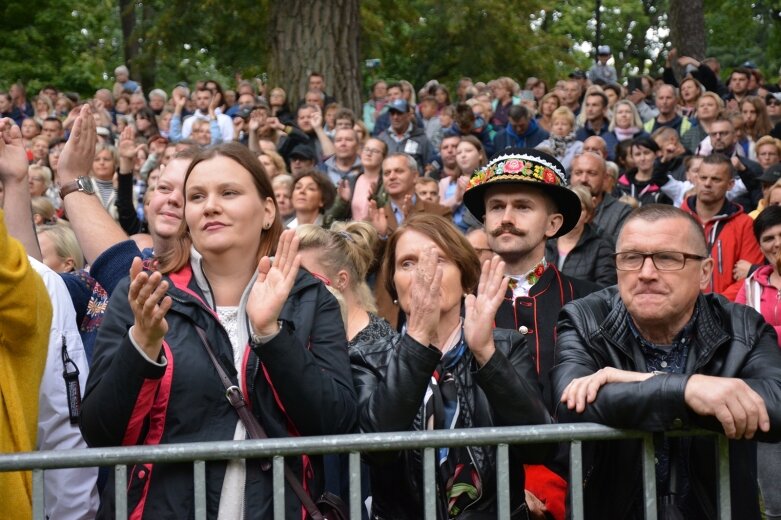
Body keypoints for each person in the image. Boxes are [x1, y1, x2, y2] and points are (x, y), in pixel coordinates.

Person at [81, 143, 356, 518]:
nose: (210, 205)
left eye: (229, 193)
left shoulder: (310, 297)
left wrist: (270, 334)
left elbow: (334, 423)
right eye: (196, 196)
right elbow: (100, 431)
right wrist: (141, 347)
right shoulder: (145, 294)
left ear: (268, 210)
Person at [552, 204, 781, 519]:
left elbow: (776, 405)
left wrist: (638, 382)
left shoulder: (742, 326)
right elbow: (571, 402)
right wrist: (688, 389)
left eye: (668, 258)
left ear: (704, 272)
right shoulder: (585, 319)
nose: (646, 273)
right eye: (631, 258)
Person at [350, 213, 550, 519]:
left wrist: (485, 353)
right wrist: (417, 339)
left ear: (465, 276)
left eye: (439, 259)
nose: (423, 273)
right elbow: (375, 450)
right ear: (393, 284)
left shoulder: (505, 347)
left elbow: (540, 446)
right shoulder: (367, 356)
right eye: (407, 263)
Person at [462, 148, 600, 520]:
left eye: (523, 206)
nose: (506, 218)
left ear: (553, 224)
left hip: (579, 493)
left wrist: (551, 478)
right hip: (485, 496)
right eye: (496, 207)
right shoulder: (458, 302)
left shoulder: (592, 299)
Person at [736, 205, 781, 520]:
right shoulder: (750, 285)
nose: (776, 243)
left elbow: (758, 334)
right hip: (768, 393)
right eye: (768, 238)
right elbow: (742, 334)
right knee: (774, 497)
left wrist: (768, 334)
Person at [680, 153, 763, 297]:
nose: (707, 184)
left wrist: (717, 305)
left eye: (716, 179)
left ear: (730, 184)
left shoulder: (745, 224)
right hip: (681, 307)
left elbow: (748, 278)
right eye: (703, 177)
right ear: (695, 179)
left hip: (725, 311)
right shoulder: (677, 219)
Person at [544, 185, 616, 287]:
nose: (573, 212)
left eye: (580, 208)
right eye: (568, 206)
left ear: (588, 215)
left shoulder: (601, 248)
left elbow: (605, 290)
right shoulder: (545, 242)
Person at [614, 136, 672, 206]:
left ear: (656, 154)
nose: (642, 158)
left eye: (646, 153)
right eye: (637, 154)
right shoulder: (621, 184)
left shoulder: (666, 183)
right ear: (633, 157)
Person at [536, 106, 583, 173]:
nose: (559, 127)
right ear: (551, 127)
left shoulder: (579, 147)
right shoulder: (543, 145)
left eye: (564, 124)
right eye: (556, 124)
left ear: (571, 127)